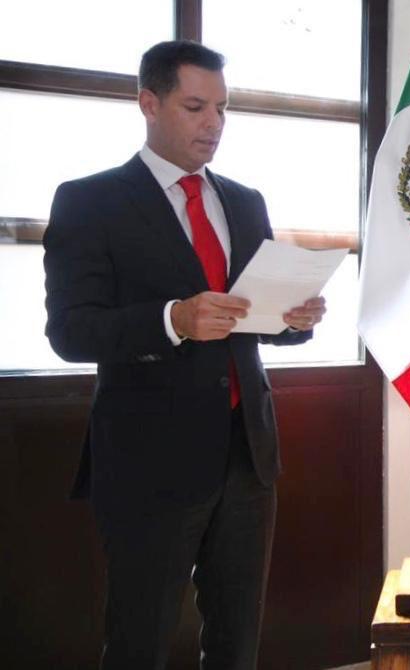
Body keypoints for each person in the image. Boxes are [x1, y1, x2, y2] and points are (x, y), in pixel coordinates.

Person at [43, 40, 327, 669]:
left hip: (248, 455)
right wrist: (173, 318)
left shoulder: (245, 201)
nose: (214, 124)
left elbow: (252, 320)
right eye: (196, 107)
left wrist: (294, 320)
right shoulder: (89, 201)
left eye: (222, 109)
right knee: (139, 642)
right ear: (149, 103)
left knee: (237, 640)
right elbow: (70, 330)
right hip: (149, 460)